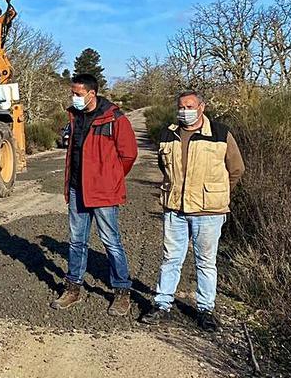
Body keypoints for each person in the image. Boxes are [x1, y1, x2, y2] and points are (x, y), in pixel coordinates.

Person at [140, 90, 245, 332]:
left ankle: (206, 309)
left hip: (208, 211)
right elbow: (163, 166)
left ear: (201, 107)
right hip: (175, 208)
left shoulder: (220, 133)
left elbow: (236, 169)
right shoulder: (168, 133)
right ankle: (162, 304)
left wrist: (216, 194)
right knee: (170, 258)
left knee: (206, 261)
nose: (184, 111)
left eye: (189, 106)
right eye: (180, 106)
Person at [50, 73, 138, 316]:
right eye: (72, 93)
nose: (73, 97)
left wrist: (111, 177)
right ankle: (73, 288)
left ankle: (121, 292)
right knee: (77, 241)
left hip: (103, 191)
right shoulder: (75, 116)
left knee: (111, 241)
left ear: (92, 94)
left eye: (78, 93)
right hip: (77, 188)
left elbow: (129, 155)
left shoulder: (114, 118)